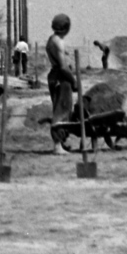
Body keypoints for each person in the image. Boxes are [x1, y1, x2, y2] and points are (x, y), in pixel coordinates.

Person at [45, 14, 76, 151]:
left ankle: (61, 142)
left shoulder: (51, 40)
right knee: (61, 111)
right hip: (61, 77)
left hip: (54, 75)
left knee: (60, 110)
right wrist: (74, 81)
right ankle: (58, 146)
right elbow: (63, 67)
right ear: (66, 28)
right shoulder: (58, 42)